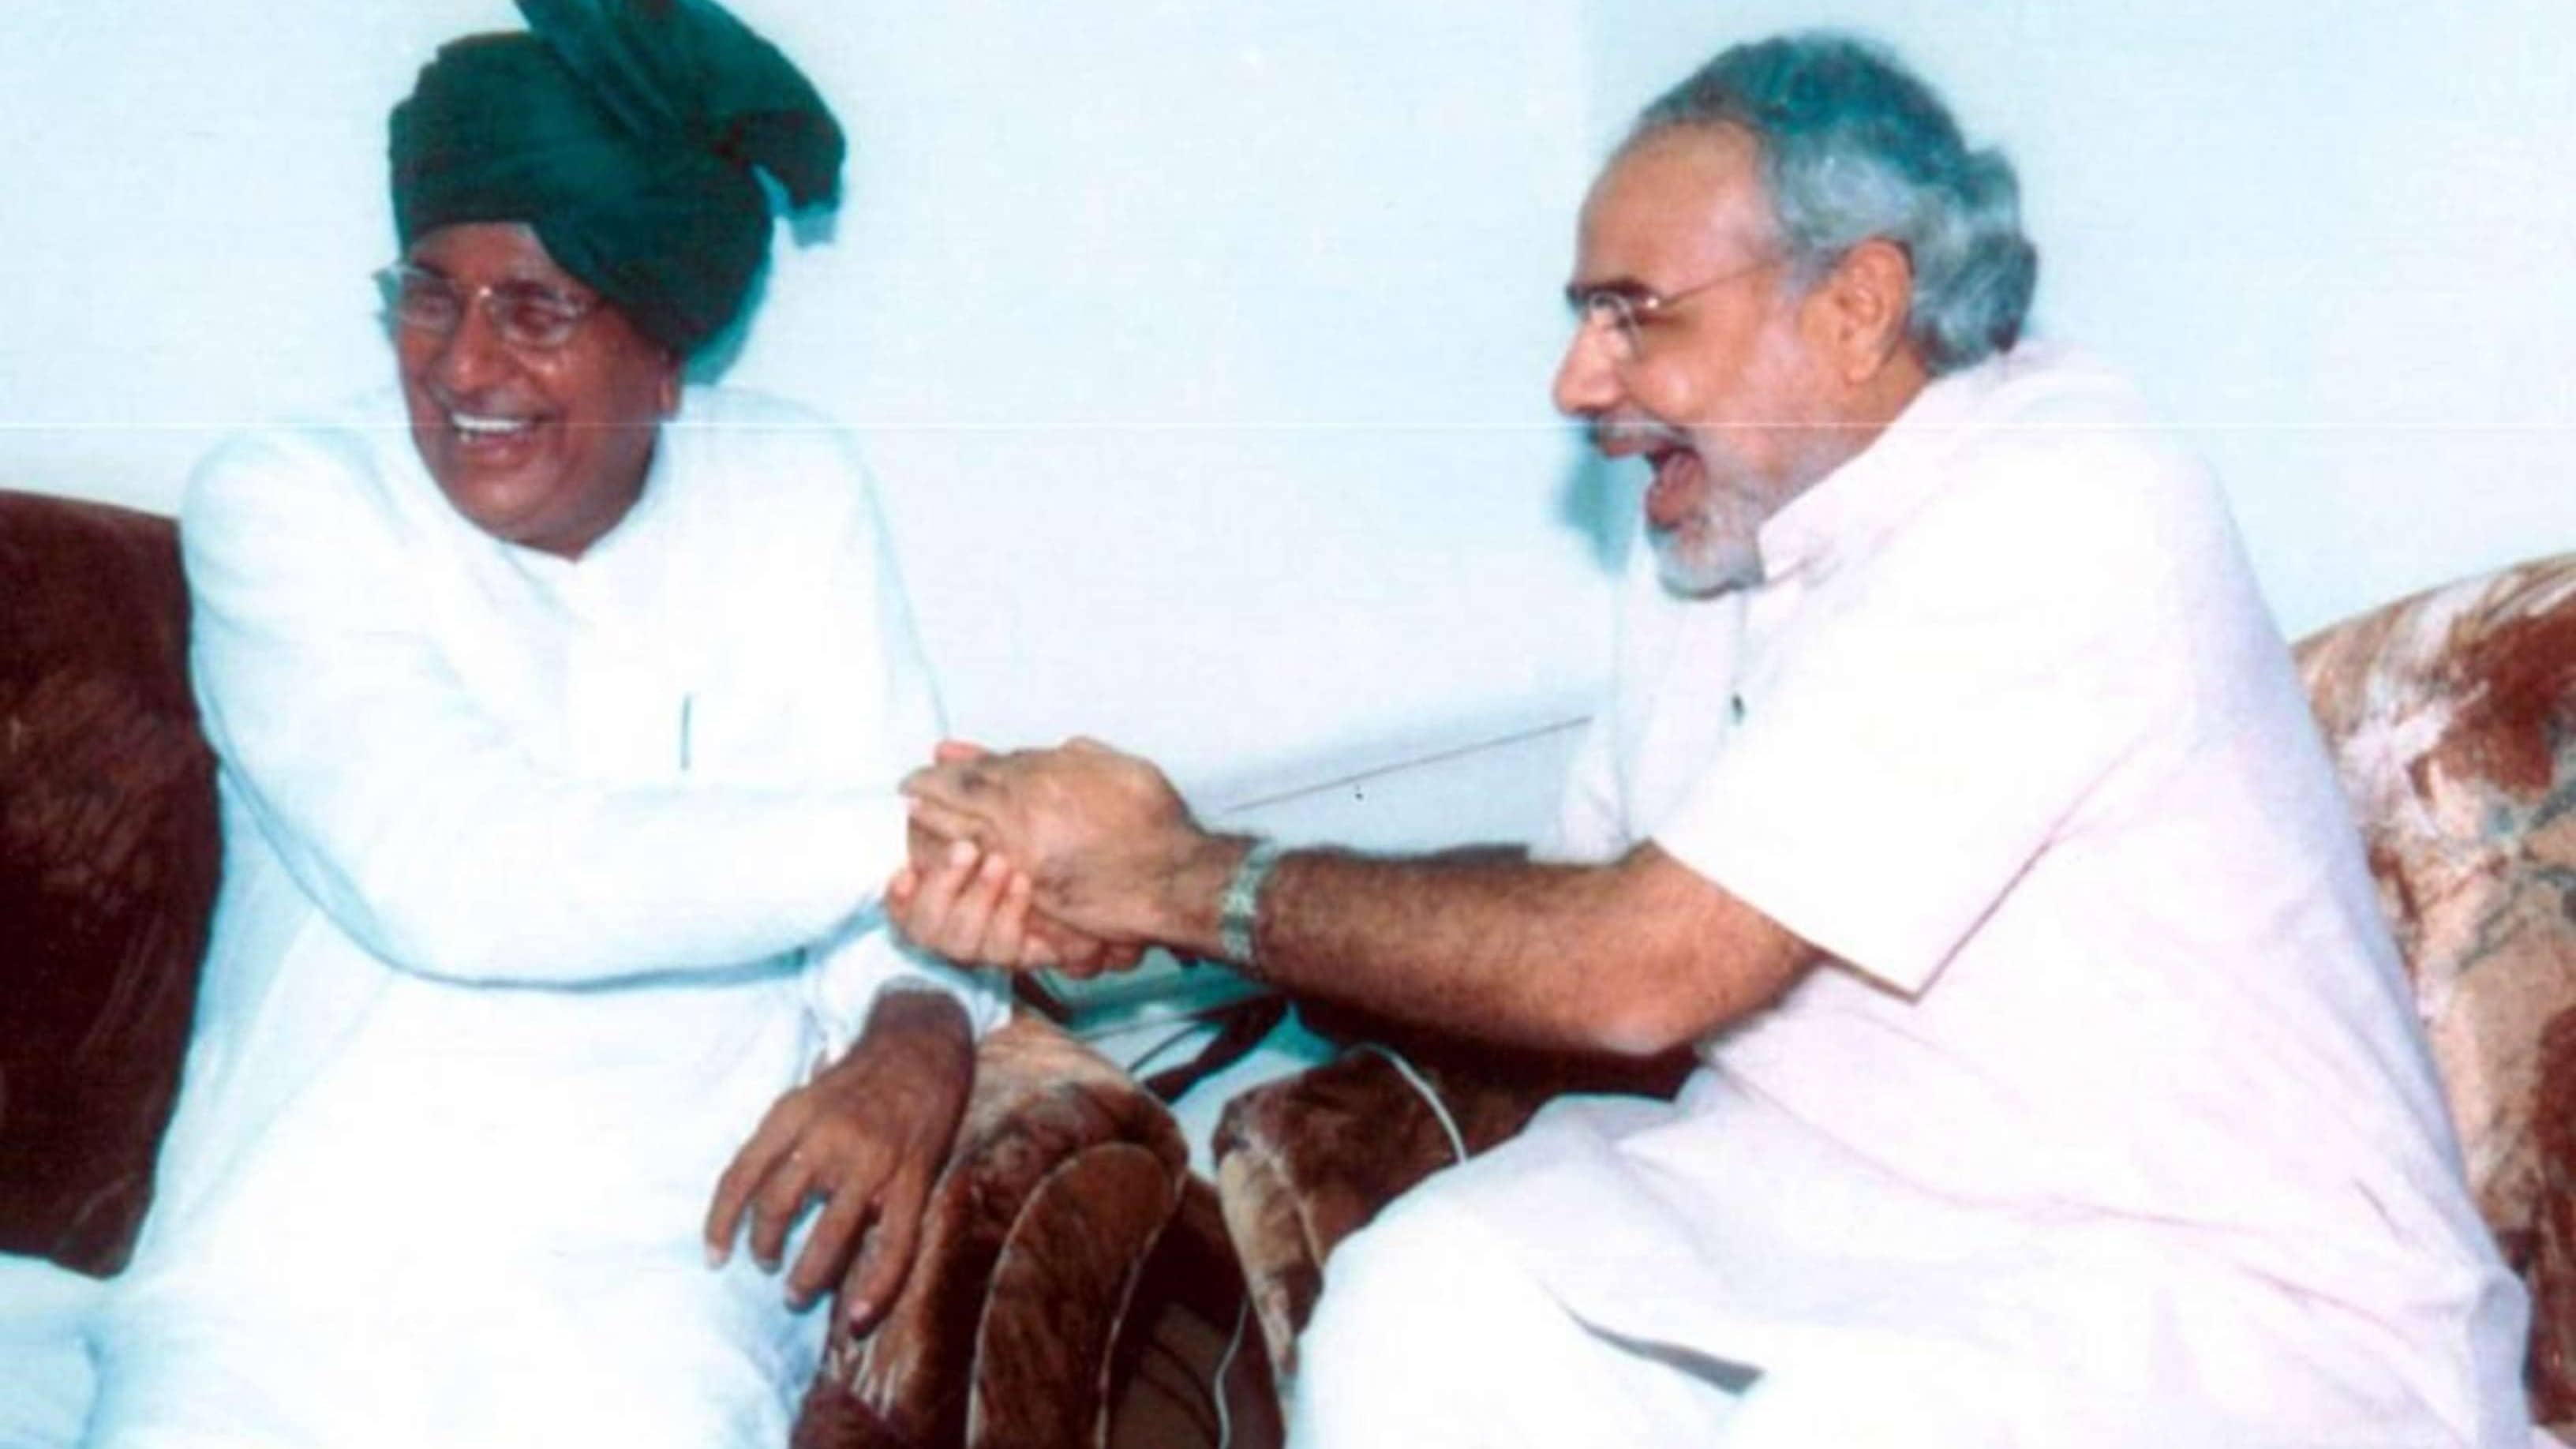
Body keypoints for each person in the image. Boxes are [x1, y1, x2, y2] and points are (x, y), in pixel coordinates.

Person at [897, 32, 2532, 1448]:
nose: (1574, 380)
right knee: (1432, 1297)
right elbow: (1575, 903)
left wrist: (1190, 875)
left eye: (1634, 314)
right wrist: (1153, 911)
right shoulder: (1706, 530)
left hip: (2216, 1285)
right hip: (1836, 1214)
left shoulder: (2074, 500)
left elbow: (1638, 966)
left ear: (1859, 305)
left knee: (1853, 1424)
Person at [82, 2, 1087, 1444]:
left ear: (667, 349)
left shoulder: (792, 489)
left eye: (536, 308)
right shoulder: (292, 500)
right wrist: (956, 844)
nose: (462, 366)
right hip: (290, 1276)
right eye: (429, 295)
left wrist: (920, 1023)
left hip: (651, 1286)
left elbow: (892, 918)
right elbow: (460, 870)